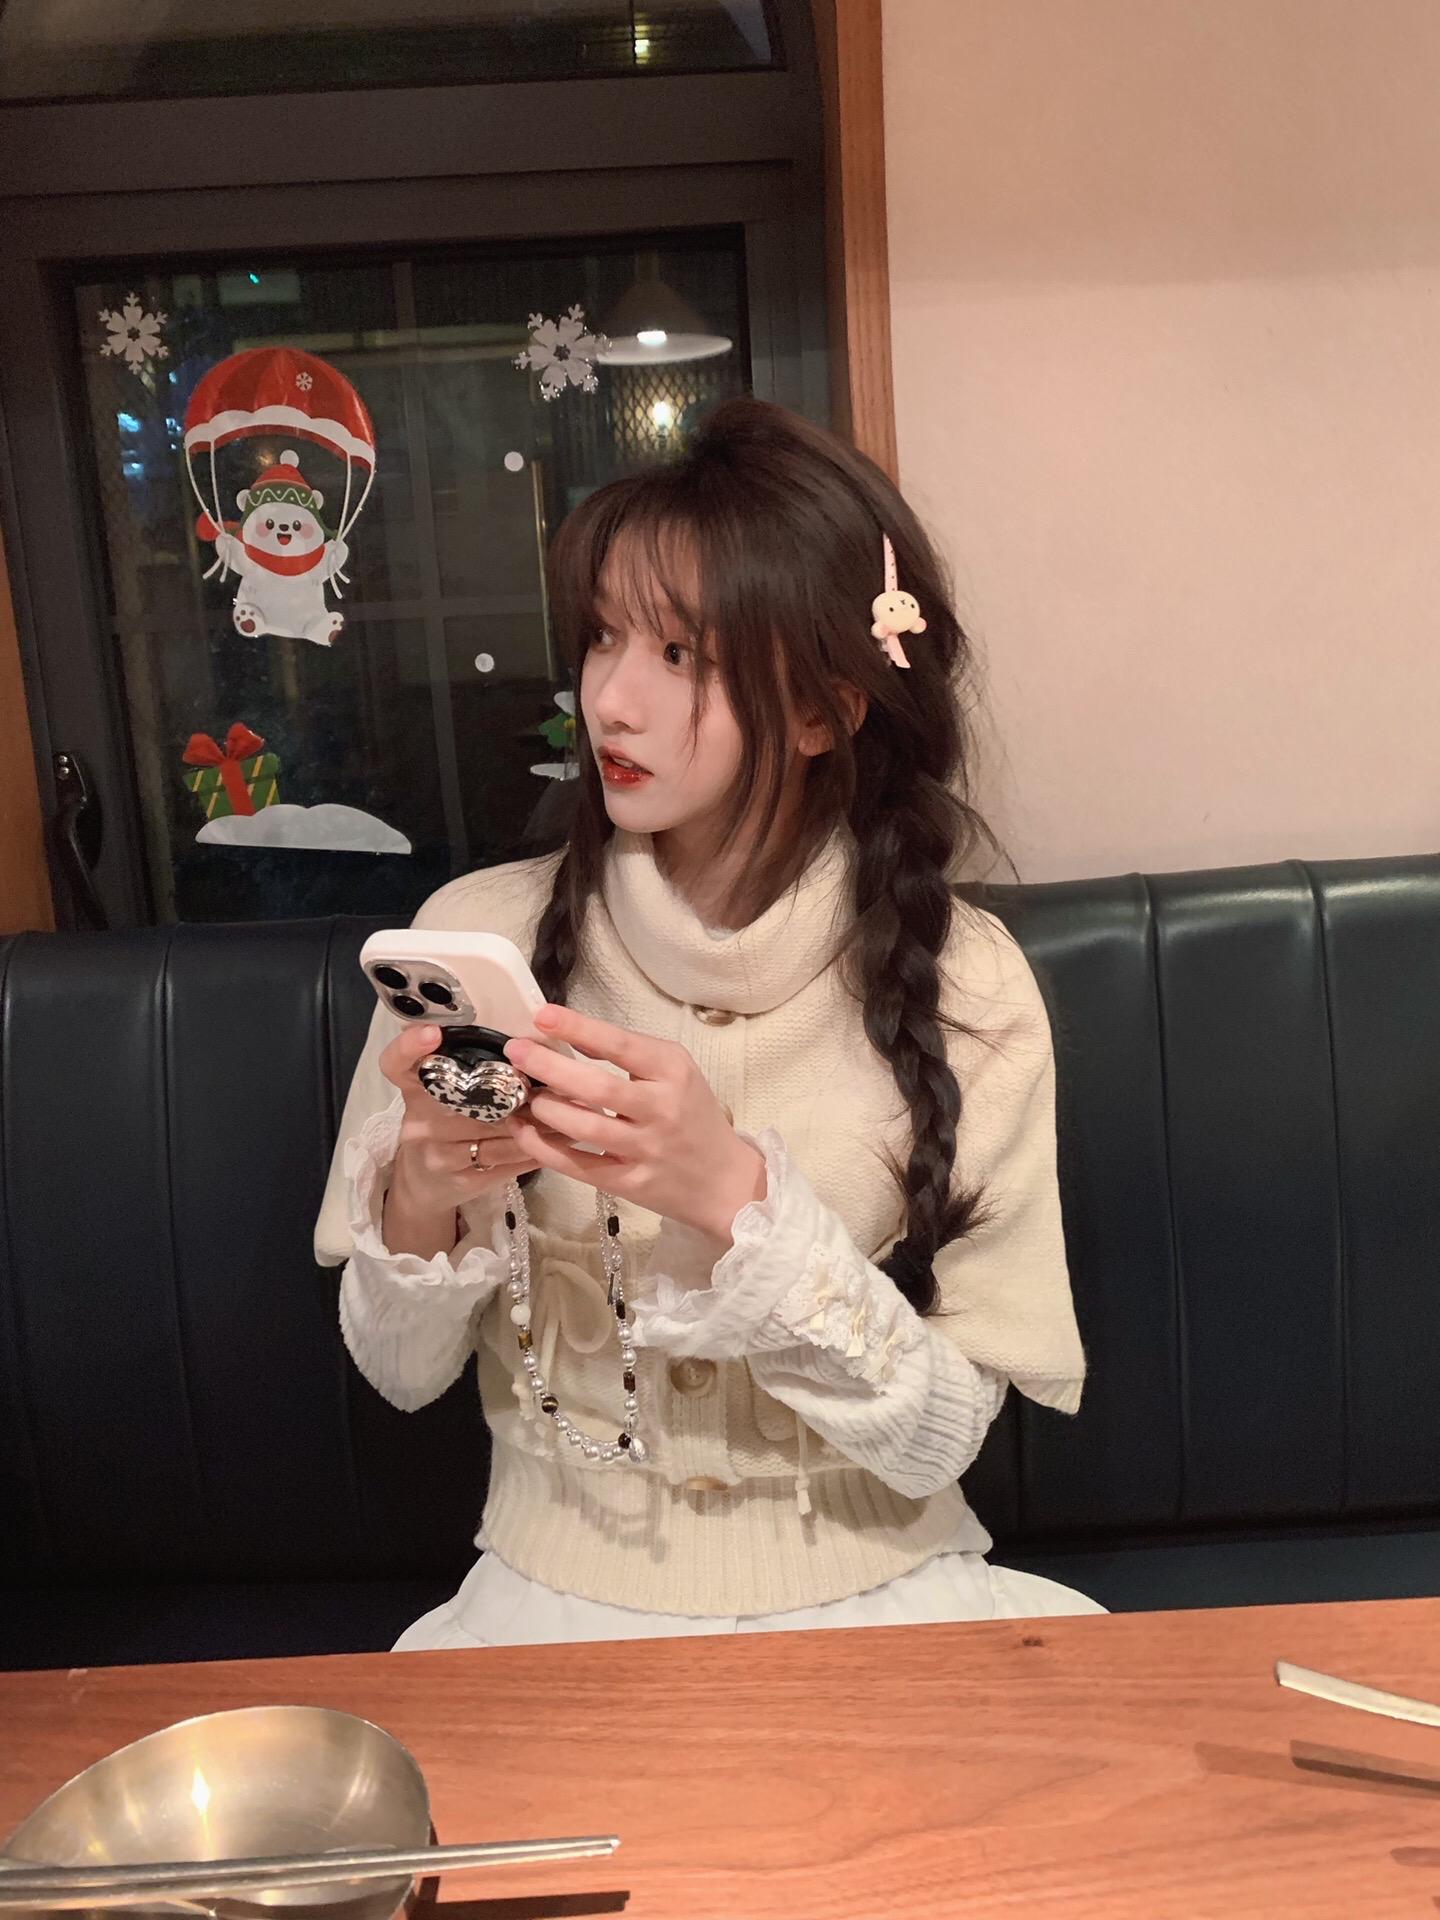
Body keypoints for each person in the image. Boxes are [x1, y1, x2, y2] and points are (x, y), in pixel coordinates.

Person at [314, 397, 1099, 1646]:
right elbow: (401, 1376)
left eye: (682, 655)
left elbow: (943, 1439)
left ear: (825, 708)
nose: (610, 701)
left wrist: (730, 1197)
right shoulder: (477, 937)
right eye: (603, 636)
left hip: (884, 1596)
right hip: (553, 1599)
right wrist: (420, 1194)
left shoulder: (968, 984)